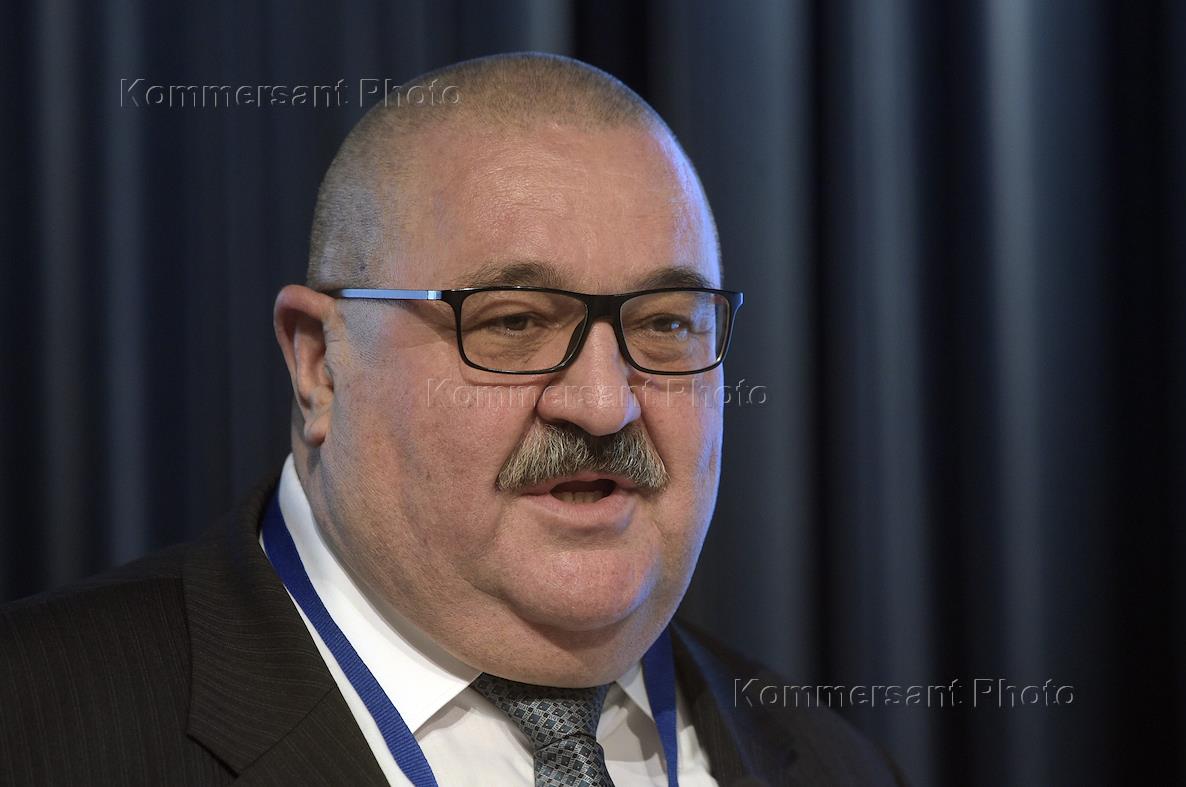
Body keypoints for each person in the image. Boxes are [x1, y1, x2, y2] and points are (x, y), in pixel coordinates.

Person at [0, 53, 903, 786]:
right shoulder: (34, 728)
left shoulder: (838, 763)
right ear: (319, 363)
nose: (603, 402)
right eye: (513, 323)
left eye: (665, 325)